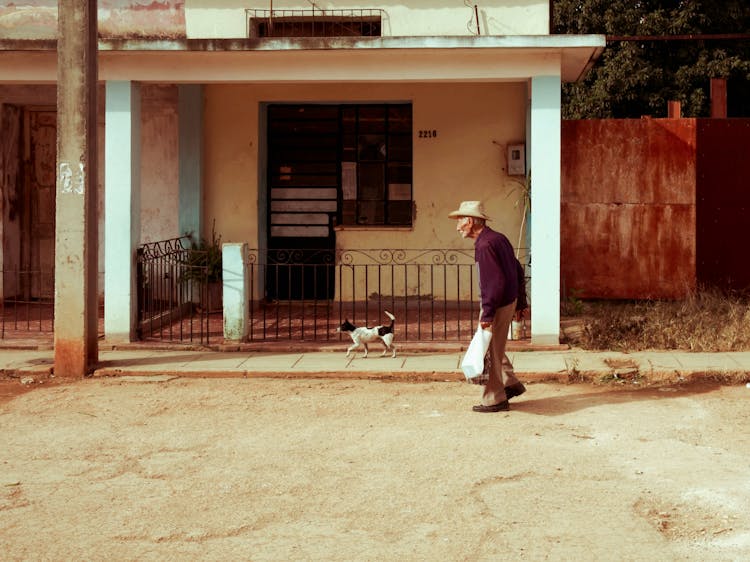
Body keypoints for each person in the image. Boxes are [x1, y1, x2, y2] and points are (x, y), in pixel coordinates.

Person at [449, 200, 527, 412]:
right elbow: (517, 269)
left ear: (471, 221)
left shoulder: (485, 245)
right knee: (495, 345)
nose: (457, 227)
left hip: (498, 303)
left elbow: (493, 283)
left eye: (460, 222)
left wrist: (487, 314)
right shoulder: (497, 238)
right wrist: (521, 301)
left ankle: (495, 398)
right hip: (507, 301)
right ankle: (510, 382)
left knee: (490, 351)